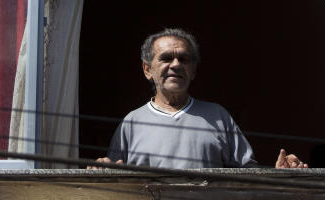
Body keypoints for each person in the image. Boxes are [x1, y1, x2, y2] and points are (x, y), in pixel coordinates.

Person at [92, 28, 308, 169]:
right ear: (148, 69)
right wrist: (100, 171)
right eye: (166, 58)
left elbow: (247, 175)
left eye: (183, 59)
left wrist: (279, 173)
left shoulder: (218, 116)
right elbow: (114, 178)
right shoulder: (132, 122)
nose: (176, 65)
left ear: (193, 71)